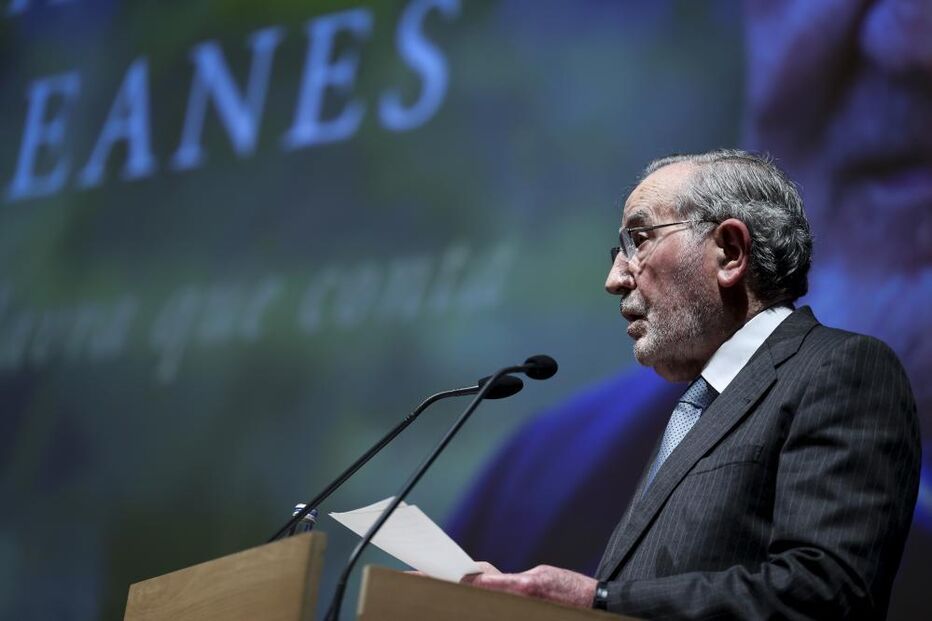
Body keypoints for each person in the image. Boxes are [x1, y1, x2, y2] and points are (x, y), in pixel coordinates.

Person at [458, 150, 920, 618]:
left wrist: (598, 599)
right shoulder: (689, 409)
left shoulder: (841, 369)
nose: (614, 278)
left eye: (638, 239)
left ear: (730, 252)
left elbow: (826, 592)